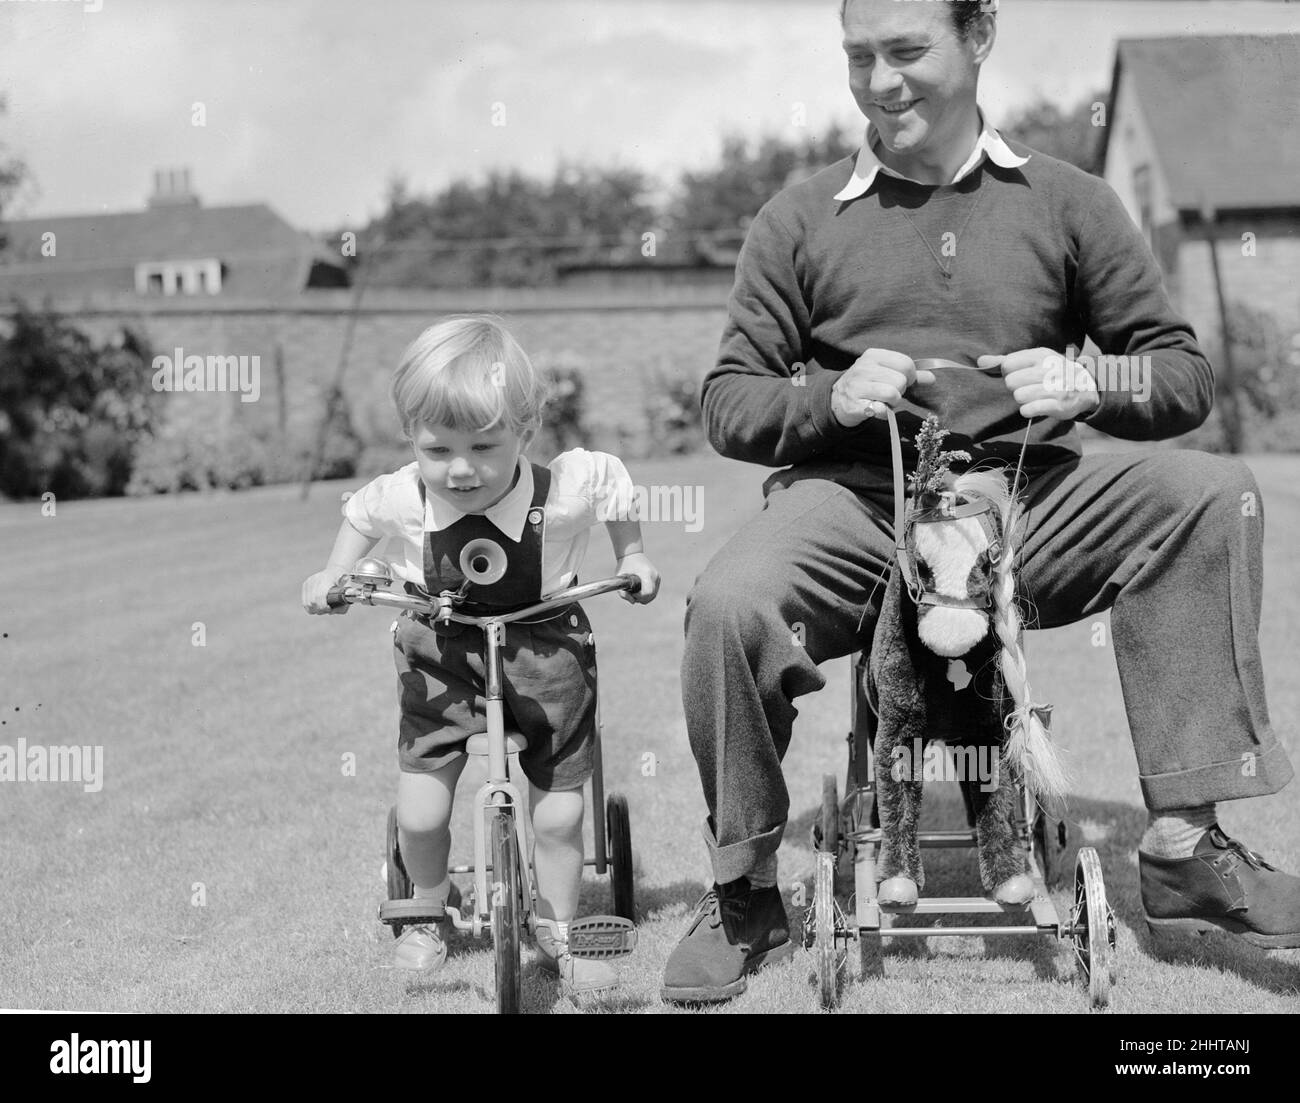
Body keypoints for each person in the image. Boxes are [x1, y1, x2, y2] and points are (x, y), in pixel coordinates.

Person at [661, 0, 1300, 1004]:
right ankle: (741, 889)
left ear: (978, 37)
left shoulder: (1070, 201)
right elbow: (728, 400)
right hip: (859, 504)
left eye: (906, 51)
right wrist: (825, 396)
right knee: (729, 603)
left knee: (1213, 490)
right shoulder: (796, 216)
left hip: (1031, 501)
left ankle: (1184, 842)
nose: (881, 81)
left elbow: (1180, 376)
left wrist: (1096, 386)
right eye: (858, 57)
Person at [302, 315, 660, 996]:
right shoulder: (405, 495)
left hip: (544, 644)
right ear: (412, 437)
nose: (460, 468)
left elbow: (613, 482)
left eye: (484, 445)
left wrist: (632, 554)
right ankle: (428, 912)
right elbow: (361, 516)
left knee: (559, 811)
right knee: (422, 810)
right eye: (437, 449)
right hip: (440, 651)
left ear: (526, 431)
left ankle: (556, 927)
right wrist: (333, 575)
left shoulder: (564, 492)